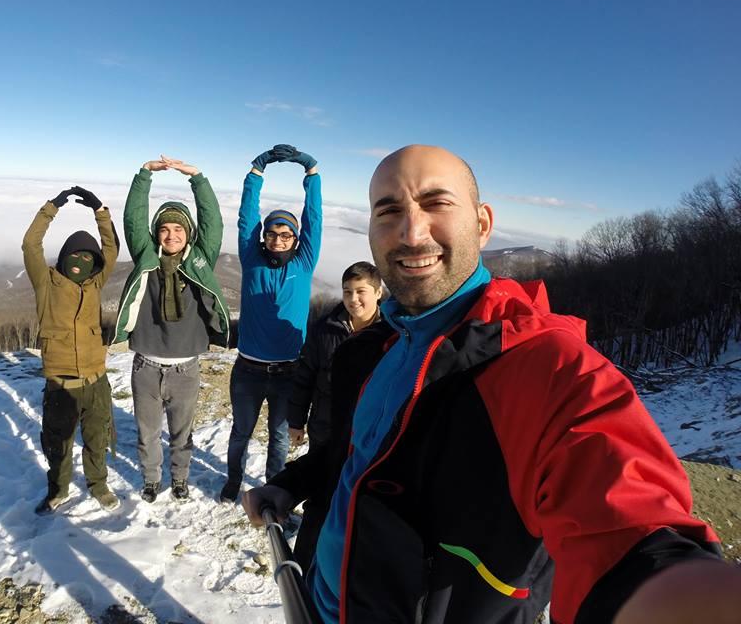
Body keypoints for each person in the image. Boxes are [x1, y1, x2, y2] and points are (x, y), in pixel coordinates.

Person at [243, 145, 741, 624]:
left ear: (482, 224)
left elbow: (629, 527)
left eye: (436, 203)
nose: (412, 231)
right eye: (387, 210)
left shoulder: (549, 367)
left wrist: (676, 591)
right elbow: (354, 456)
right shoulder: (376, 350)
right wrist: (291, 484)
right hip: (320, 598)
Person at [112, 155, 230, 503]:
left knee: (182, 433)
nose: (172, 234)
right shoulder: (146, 258)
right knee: (147, 434)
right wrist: (144, 175)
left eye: (179, 229)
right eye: (165, 229)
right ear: (157, 234)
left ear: (188, 233)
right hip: (145, 367)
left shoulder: (199, 262)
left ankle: (180, 480)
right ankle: (151, 480)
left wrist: (197, 178)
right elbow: (133, 220)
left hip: (185, 368)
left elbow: (214, 224)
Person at [219, 144, 322, 504]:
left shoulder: (304, 263)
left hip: (289, 372)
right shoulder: (252, 260)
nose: (278, 239)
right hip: (248, 368)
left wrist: (311, 172)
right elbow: (246, 218)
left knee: (279, 437)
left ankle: (275, 488)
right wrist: (256, 170)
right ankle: (234, 480)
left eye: (286, 235)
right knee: (240, 432)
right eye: (272, 234)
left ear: (295, 239)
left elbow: (314, 219)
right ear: (264, 238)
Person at [22, 185, 120, 514]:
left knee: (97, 438)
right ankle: (58, 489)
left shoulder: (95, 283)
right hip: (61, 383)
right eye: (74, 255)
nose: (80, 261)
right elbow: (30, 244)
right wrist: (53, 207)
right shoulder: (46, 283)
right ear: (63, 257)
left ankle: (98, 484)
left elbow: (111, 248)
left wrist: (101, 212)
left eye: (87, 258)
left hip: (96, 381)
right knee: (58, 444)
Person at [285, 260, 383, 570]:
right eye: (347, 292)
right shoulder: (325, 329)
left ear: (379, 292)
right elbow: (305, 376)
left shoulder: (391, 334)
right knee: (322, 491)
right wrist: (296, 420)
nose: (354, 299)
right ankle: (306, 564)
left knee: (358, 497)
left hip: (369, 433)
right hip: (325, 427)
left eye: (362, 291)